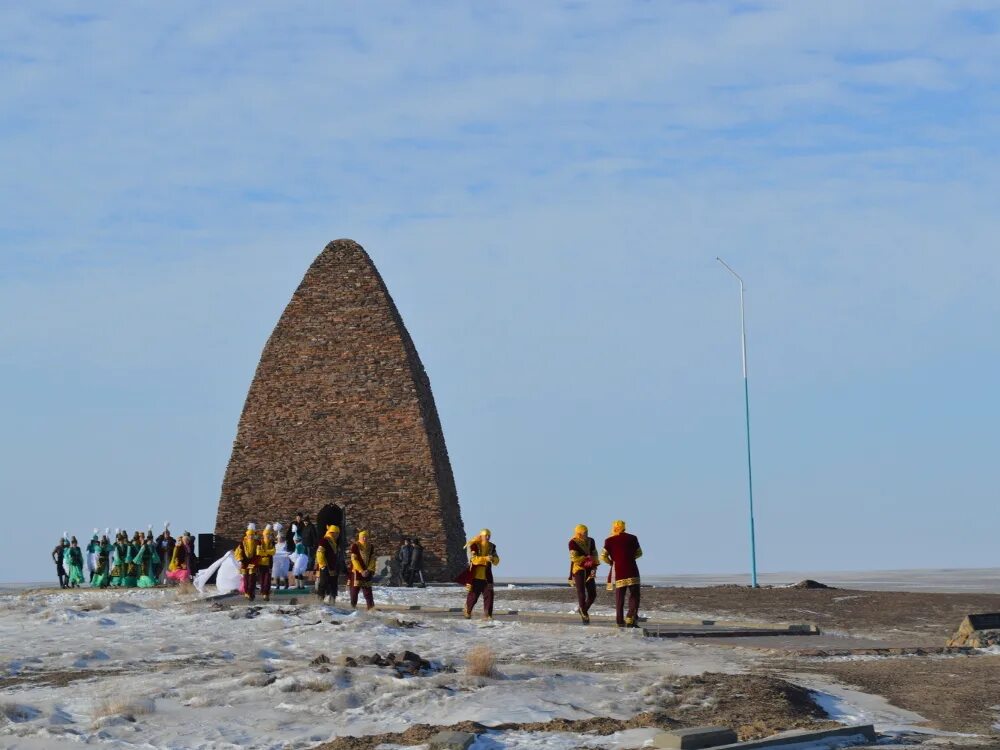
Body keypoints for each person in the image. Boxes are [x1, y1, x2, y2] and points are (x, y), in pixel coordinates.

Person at [601, 519, 643, 628]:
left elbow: (603, 556)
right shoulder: (633, 538)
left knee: (620, 597)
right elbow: (639, 553)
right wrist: (629, 558)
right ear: (624, 527)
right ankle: (630, 616)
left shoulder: (609, 540)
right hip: (632, 569)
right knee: (634, 595)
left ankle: (619, 621)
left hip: (619, 571)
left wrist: (612, 562)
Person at [462, 529, 500, 620]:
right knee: (473, 596)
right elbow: (474, 560)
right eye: (485, 535)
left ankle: (487, 614)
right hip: (475, 576)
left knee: (489, 596)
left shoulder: (492, 546)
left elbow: (497, 561)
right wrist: (485, 559)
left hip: (487, 577)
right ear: (481, 536)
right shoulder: (474, 545)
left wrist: (493, 559)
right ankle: (467, 611)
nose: (487, 537)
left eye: (489, 535)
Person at [568, 524, 600, 624]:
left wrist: (594, 564)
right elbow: (574, 558)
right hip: (579, 569)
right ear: (579, 533)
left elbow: (595, 553)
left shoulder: (591, 540)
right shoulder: (572, 542)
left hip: (590, 568)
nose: (586, 534)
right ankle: (584, 614)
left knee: (593, 594)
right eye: (584, 533)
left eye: (587, 532)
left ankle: (583, 609)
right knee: (581, 593)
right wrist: (586, 558)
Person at [348, 530, 376, 610]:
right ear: (359, 537)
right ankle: (353, 607)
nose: (364, 538)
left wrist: (369, 569)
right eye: (362, 537)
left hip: (367, 572)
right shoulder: (355, 546)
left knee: (368, 592)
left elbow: (372, 559)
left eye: (366, 537)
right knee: (354, 591)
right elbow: (354, 560)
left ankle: (370, 608)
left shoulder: (371, 546)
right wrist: (361, 570)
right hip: (357, 572)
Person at [315, 524, 341, 604]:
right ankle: (320, 601)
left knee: (334, 585)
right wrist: (322, 565)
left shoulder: (334, 542)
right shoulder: (324, 541)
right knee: (323, 583)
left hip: (333, 567)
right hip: (326, 567)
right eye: (336, 533)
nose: (337, 535)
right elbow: (319, 553)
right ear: (331, 533)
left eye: (338, 533)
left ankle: (332, 601)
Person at [234, 523, 260, 601]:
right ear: (247, 535)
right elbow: (238, 552)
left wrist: (257, 560)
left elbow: (258, 552)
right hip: (244, 562)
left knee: (252, 578)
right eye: (250, 535)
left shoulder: (257, 543)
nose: (251, 536)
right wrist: (239, 559)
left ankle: (250, 593)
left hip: (252, 562)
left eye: (252, 535)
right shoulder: (242, 543)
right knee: (246, 579)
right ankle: (246, 592)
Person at [257, 524, 276, 602]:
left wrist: (264, 552)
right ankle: (263, 591)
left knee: (267, 579)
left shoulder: (272, 543)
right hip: (261, 563)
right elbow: (258, 552)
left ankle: (266, 593)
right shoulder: (260, 543)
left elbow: (273, 552)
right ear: (264, 534)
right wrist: (267, 553)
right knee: (262, 579)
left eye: (268, 534)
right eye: (266, 534)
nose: (267, 536)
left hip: (269, 564)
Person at [272, 522, 291, 591]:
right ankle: (277, 585)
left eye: (281, 538)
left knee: (284, 573)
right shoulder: (276, 545)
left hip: (283, 561)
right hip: (277, 561)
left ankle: (286, 584)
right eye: (278, 538)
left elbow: (286, 552)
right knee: (277, 573)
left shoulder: (284, 544)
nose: (279, 539)